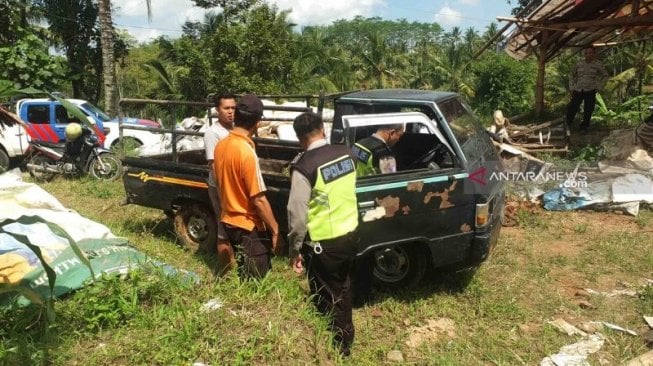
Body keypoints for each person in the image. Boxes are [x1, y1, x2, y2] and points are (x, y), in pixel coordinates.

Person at [287, 111, 359, 356]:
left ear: (299, 138)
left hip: (325, 241)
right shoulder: (348, 154)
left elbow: (297, 215)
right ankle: (332, 330)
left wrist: (294, 249)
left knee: (330, 292)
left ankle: (341, 344)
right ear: (323, 130)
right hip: (351, 232)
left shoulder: (304, 166)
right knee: (343, 284)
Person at [213, 94, 279, 279]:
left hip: (228, 221)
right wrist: (274, 229)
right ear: (257, 123)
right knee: (257, 281)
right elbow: (258, 199)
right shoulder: (246, 152)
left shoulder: (221, 145)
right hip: (248, 227)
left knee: (242, 274)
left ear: (237, 115)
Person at [203, 93, 236, 274]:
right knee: (223, 225)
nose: (231, 112)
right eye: (226, 108)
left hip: (233, 186)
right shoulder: (213, 133)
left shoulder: (233, 129)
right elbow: (213, 165)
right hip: (221, 187)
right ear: (217, 110)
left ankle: (234, 260)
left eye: (233, 108)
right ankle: (225, 270)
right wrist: (225, 192)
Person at [565, 46, 608, 132]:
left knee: (588, 109)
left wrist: (600, 87)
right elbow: (571, 75)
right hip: (578, 89)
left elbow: (605, 75)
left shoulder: (597, 64)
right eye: (586, 53)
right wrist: (572, 87)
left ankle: (584, 127)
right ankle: (567, 124)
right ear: (584, 54)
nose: (588, 55)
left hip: (591, 89)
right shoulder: (579, 64)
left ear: (594, 54)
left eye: (590, 53)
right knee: (572, 107)